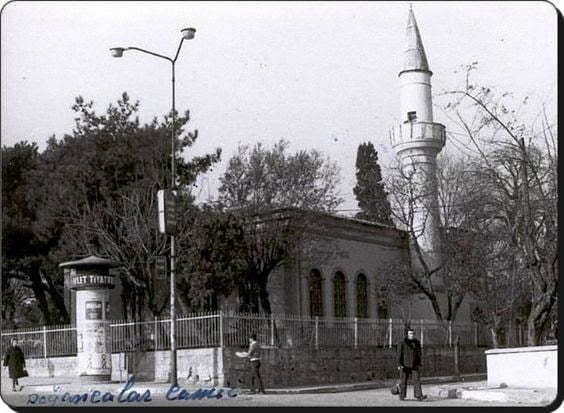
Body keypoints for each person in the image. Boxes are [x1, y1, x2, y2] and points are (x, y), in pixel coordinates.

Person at [397, 327, 427, 401]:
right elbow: (399, 354)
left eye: (413, 333)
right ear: (407, 334)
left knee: (417, 380)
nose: (412, 335)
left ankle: (419, 396)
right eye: (410, 333)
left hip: (414, 364)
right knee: (403, 380)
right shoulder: (402, 342)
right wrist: (399, 364)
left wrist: (419, 363)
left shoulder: (417, 342)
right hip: (404, 364)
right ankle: (402, 395)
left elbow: (419, 353)